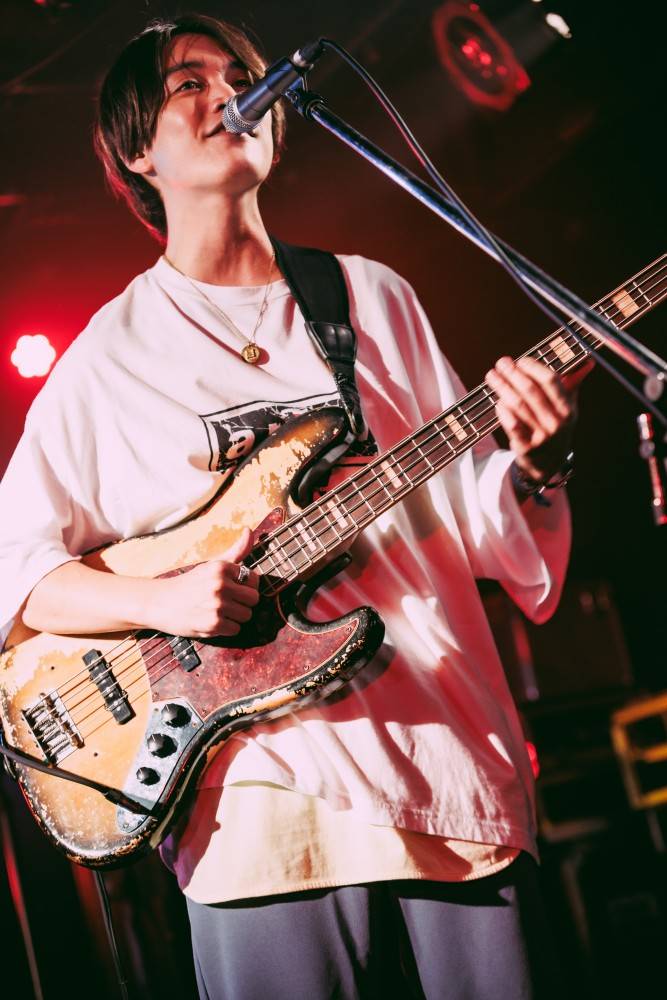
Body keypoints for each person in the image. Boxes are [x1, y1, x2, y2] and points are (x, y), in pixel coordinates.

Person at [0, 13, 589, 999]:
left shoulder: (367, 297)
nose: (232, 92)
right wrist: (163, 599)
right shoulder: (108, 357)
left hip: (442, 765)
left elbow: (475, 517)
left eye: (243, 74)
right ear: (137, 150)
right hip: (259, 808)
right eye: (191, 83)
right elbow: (15, 569)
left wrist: (537, 462)